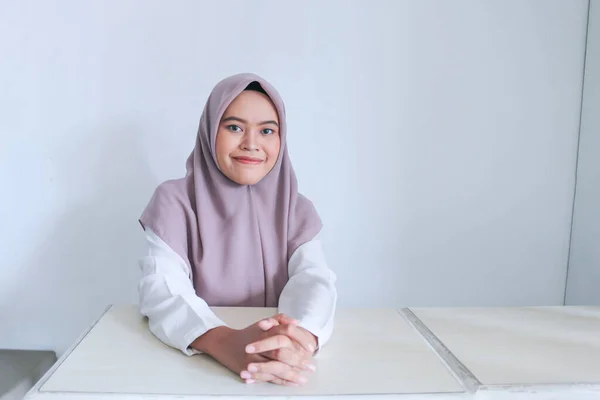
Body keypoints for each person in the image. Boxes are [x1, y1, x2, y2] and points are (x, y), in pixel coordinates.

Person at [137, 73, 337, 387]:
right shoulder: (174, 202)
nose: (251, 144)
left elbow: (313, 280)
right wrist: (223, 342)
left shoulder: (296, 209)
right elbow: (162, 288)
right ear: (209, 131)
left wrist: (298, 338)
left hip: (277, 371)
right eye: (234, 127)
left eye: (267, 131)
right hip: (192, 370)